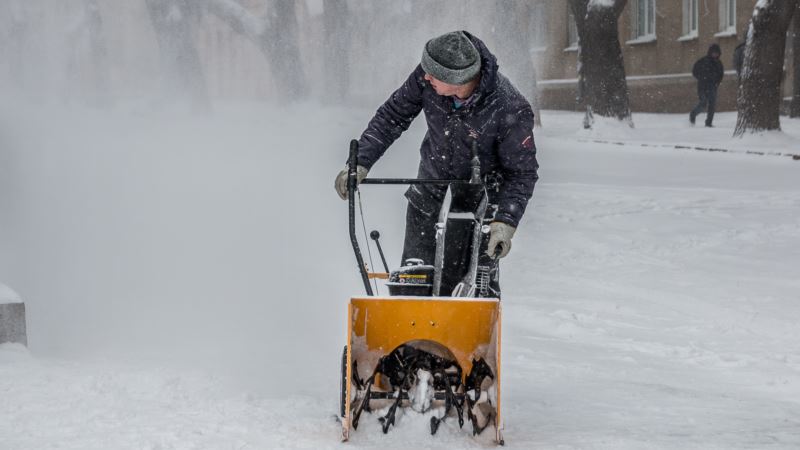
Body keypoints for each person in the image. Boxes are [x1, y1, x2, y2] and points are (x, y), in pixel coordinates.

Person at [334, 30, 539, 284]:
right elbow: (392, 116)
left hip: (481, 202)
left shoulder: (509, 107)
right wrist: (361, 162)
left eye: (433, 74)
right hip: (430, 188)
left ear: (458, 79)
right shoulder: (426, 78)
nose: (426, 75)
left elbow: (522, 173)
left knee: (469, 289)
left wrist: (504, 224)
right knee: (415, 277)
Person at [690, 44, 725, 127]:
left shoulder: (719, 63)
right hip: (702, 86)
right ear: (710, 52)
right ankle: (693, 114)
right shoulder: (703, 61)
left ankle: (709, 123)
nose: (715, 54)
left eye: (716, 53)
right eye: (713, 53)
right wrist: (701, 78)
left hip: (713, 86)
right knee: (703, 102)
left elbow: (721, 75)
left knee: (712, 104)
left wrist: (716, 83)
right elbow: (695, 71)